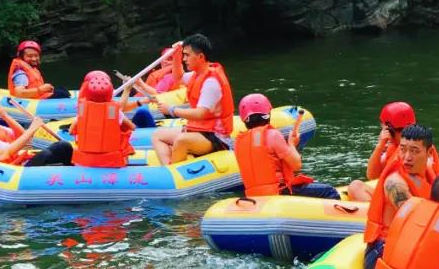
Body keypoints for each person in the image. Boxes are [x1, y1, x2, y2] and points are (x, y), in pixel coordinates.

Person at [362, 124, 439, 269]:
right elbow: (416, 224)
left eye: (414, 151)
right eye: (403, 149)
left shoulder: (428, 171)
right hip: (383, 249)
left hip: (411, 246)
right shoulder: (395, 183)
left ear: (429, 152)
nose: (407, 157)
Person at [234, 93, 339, 200]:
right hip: (279, 192)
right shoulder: (273, 135)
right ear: (267, 114)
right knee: (329, 191)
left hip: (253, 196)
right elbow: (296, 165)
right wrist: (292, 144)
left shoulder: (238, 143)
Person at [150, 35, 234, 165]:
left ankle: (173, 172)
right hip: (200, 130)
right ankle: (169, 169)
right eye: (184, 55)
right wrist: (177, 55)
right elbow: (178, 77)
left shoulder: (211, 81)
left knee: (181, 140)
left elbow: (200, 114)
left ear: (200, 57)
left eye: (187, 55)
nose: (185, 59)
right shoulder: (197, 74)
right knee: (157, 135)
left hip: (215, 136)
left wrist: (172, 110)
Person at [0, 90, 73, 167]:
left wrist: (6, 116)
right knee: (59, 148)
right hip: (12, 168)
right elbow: (5, 152)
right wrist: (32, 129)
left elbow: (22, 137)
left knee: (63, 148)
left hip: (18, 162)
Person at [346, 102, 426, 202]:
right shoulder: (394, 148)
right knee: (355, 186)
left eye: (383, 126)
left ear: (389, 129)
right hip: (395, 196)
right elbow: (372, 175)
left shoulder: (413, 150)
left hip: (410, 199)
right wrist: (380, 146)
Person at [69, 71, 135, 168]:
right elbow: (132, 127)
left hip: (85, 161)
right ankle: (125, 166)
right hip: (110, 161)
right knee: (123, 136)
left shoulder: (82, 111)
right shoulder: (112, 111)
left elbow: (71, 131)